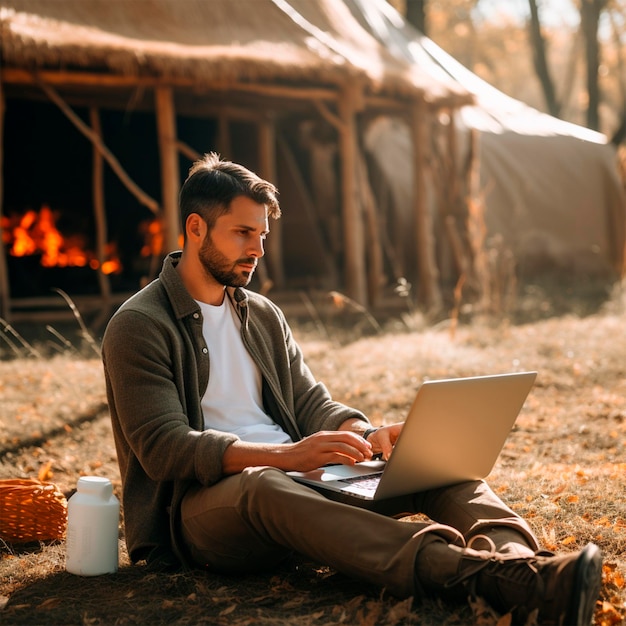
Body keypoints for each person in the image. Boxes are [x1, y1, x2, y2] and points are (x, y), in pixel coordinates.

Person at [102, 153, 602, 625]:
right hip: (206, 514)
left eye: (262, 235)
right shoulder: (140, 326)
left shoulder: (261, 315)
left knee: (436, 465)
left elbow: (309, 401)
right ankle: (472, 574)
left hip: (305, 483)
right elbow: (164, 450)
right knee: (263, 484)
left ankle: (523, 569)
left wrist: (363, 432)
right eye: (242, 233)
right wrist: (287, 457)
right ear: (195, 227)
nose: (257, 249)